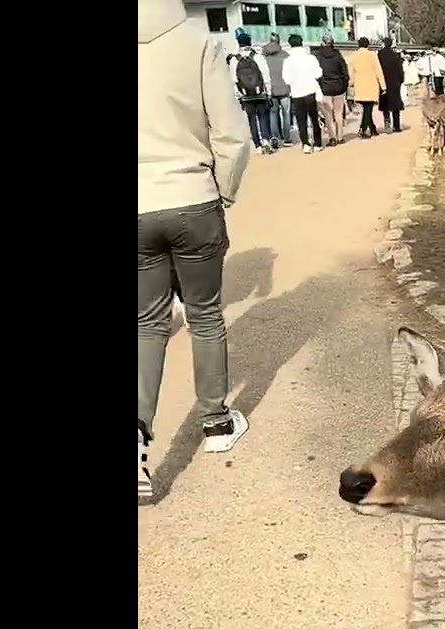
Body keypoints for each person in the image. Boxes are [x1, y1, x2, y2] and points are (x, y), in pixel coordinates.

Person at [138, 0, 252, 497]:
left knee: (145, 324)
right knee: (205, 315)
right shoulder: (197, 44)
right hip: (192, 198)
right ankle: (216, 423)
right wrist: (224, 189)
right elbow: (232, 136)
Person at [230, 33, 274, 154]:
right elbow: (266, 75)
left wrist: (238, 95)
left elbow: (234, 79)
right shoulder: (258, 57)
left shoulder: (234, 59)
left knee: (251, 119)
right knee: (263, 116)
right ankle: (266, 139)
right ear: (250, 42)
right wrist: (268, 92)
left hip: (245, 95)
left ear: (239, 43)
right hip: (260, 92)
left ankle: (257, 144)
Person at [281, 33, 324, 154]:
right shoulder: (310, 58)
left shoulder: (288, 61)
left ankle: (305, 143)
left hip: (297, 93)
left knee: (301, 120)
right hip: (311, 91)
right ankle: (317, 143)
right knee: (314, 118)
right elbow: (318, 74)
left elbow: (286, 79)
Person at [314, 33, 350, 147]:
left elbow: (317, 75)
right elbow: (345, 74)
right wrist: (344, 86)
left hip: (325, 88)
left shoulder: (318, 57)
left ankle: (332, 137)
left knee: (328, 115)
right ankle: (340, 137)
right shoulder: (338, 56)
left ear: (323, 42)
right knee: (338, 113)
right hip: (338, 87)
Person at [349, 37, 387, 138]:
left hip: (359, 85)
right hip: (371, 84)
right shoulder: (372, 55)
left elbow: (351, 71)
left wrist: (351, 83)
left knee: (367, 109)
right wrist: (383, 86)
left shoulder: (354, 56)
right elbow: (379, 71)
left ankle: (373, 129)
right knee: (368, 108)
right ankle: (363, 128)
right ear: (368, 45)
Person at [261, 32, 294, 149]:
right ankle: (287, 138)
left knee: (273, 113)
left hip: (271, 89)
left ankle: (275, 137)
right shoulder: (285, 55)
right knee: (286, 113)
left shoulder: (263, 57)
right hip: (285, 88)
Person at [377, 37, 405, 133]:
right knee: (395, 105)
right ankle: (396, 126)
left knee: (385, 104)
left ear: (384, 44)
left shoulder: (379, 55)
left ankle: (387, 124)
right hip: (395, 82)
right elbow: (400, 70)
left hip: (383, 82)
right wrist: (401, 80)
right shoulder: (396, 55)